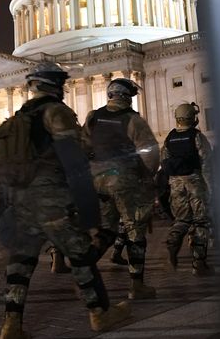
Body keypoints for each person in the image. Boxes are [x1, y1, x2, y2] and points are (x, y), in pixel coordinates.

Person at [0, 62, 130, 338]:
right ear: (56, 85)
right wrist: (91, 217)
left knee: (21, 261)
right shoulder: (57, 112)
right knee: (81, 255)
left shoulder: (20, 116)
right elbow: (75, 164)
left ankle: (11, 325)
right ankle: (99, 314)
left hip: (23, 199)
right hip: (52, 199)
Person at [82, 78, 160, 299]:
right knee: (135, 230)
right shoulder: (133, 120)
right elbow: (150, 153)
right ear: (127, 97)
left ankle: (85, 268)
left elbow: (83, 145)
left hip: (98, 180)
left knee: (106, 229)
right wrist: (147, 175)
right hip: (126, 180)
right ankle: (137, 285)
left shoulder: (93, 117)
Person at [161, 102, 214, 276]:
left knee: (181, 220)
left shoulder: (169, 138)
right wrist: (210, 187)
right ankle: (199, 263)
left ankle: (172, 243)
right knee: (200, 221)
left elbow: (165, 161)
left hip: (175, 184)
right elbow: (206, 162)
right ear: (193, 118)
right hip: (195, 181)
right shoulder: (196, 136)